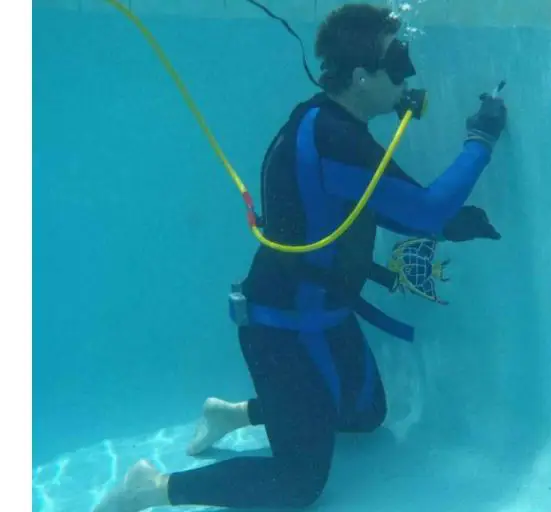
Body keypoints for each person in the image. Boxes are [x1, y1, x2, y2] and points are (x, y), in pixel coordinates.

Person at [94, 3, 507, 511]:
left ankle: (234, 414)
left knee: (365, 414)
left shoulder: (324, 120)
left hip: (325, 314)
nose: (409, 76)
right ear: (361, 77)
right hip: (282, 326)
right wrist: (480, 140)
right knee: (298, 483)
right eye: (398, 64)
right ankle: (153, 486)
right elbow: (421, 208)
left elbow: (372, 201)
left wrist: (445, 224)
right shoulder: (336, 139)